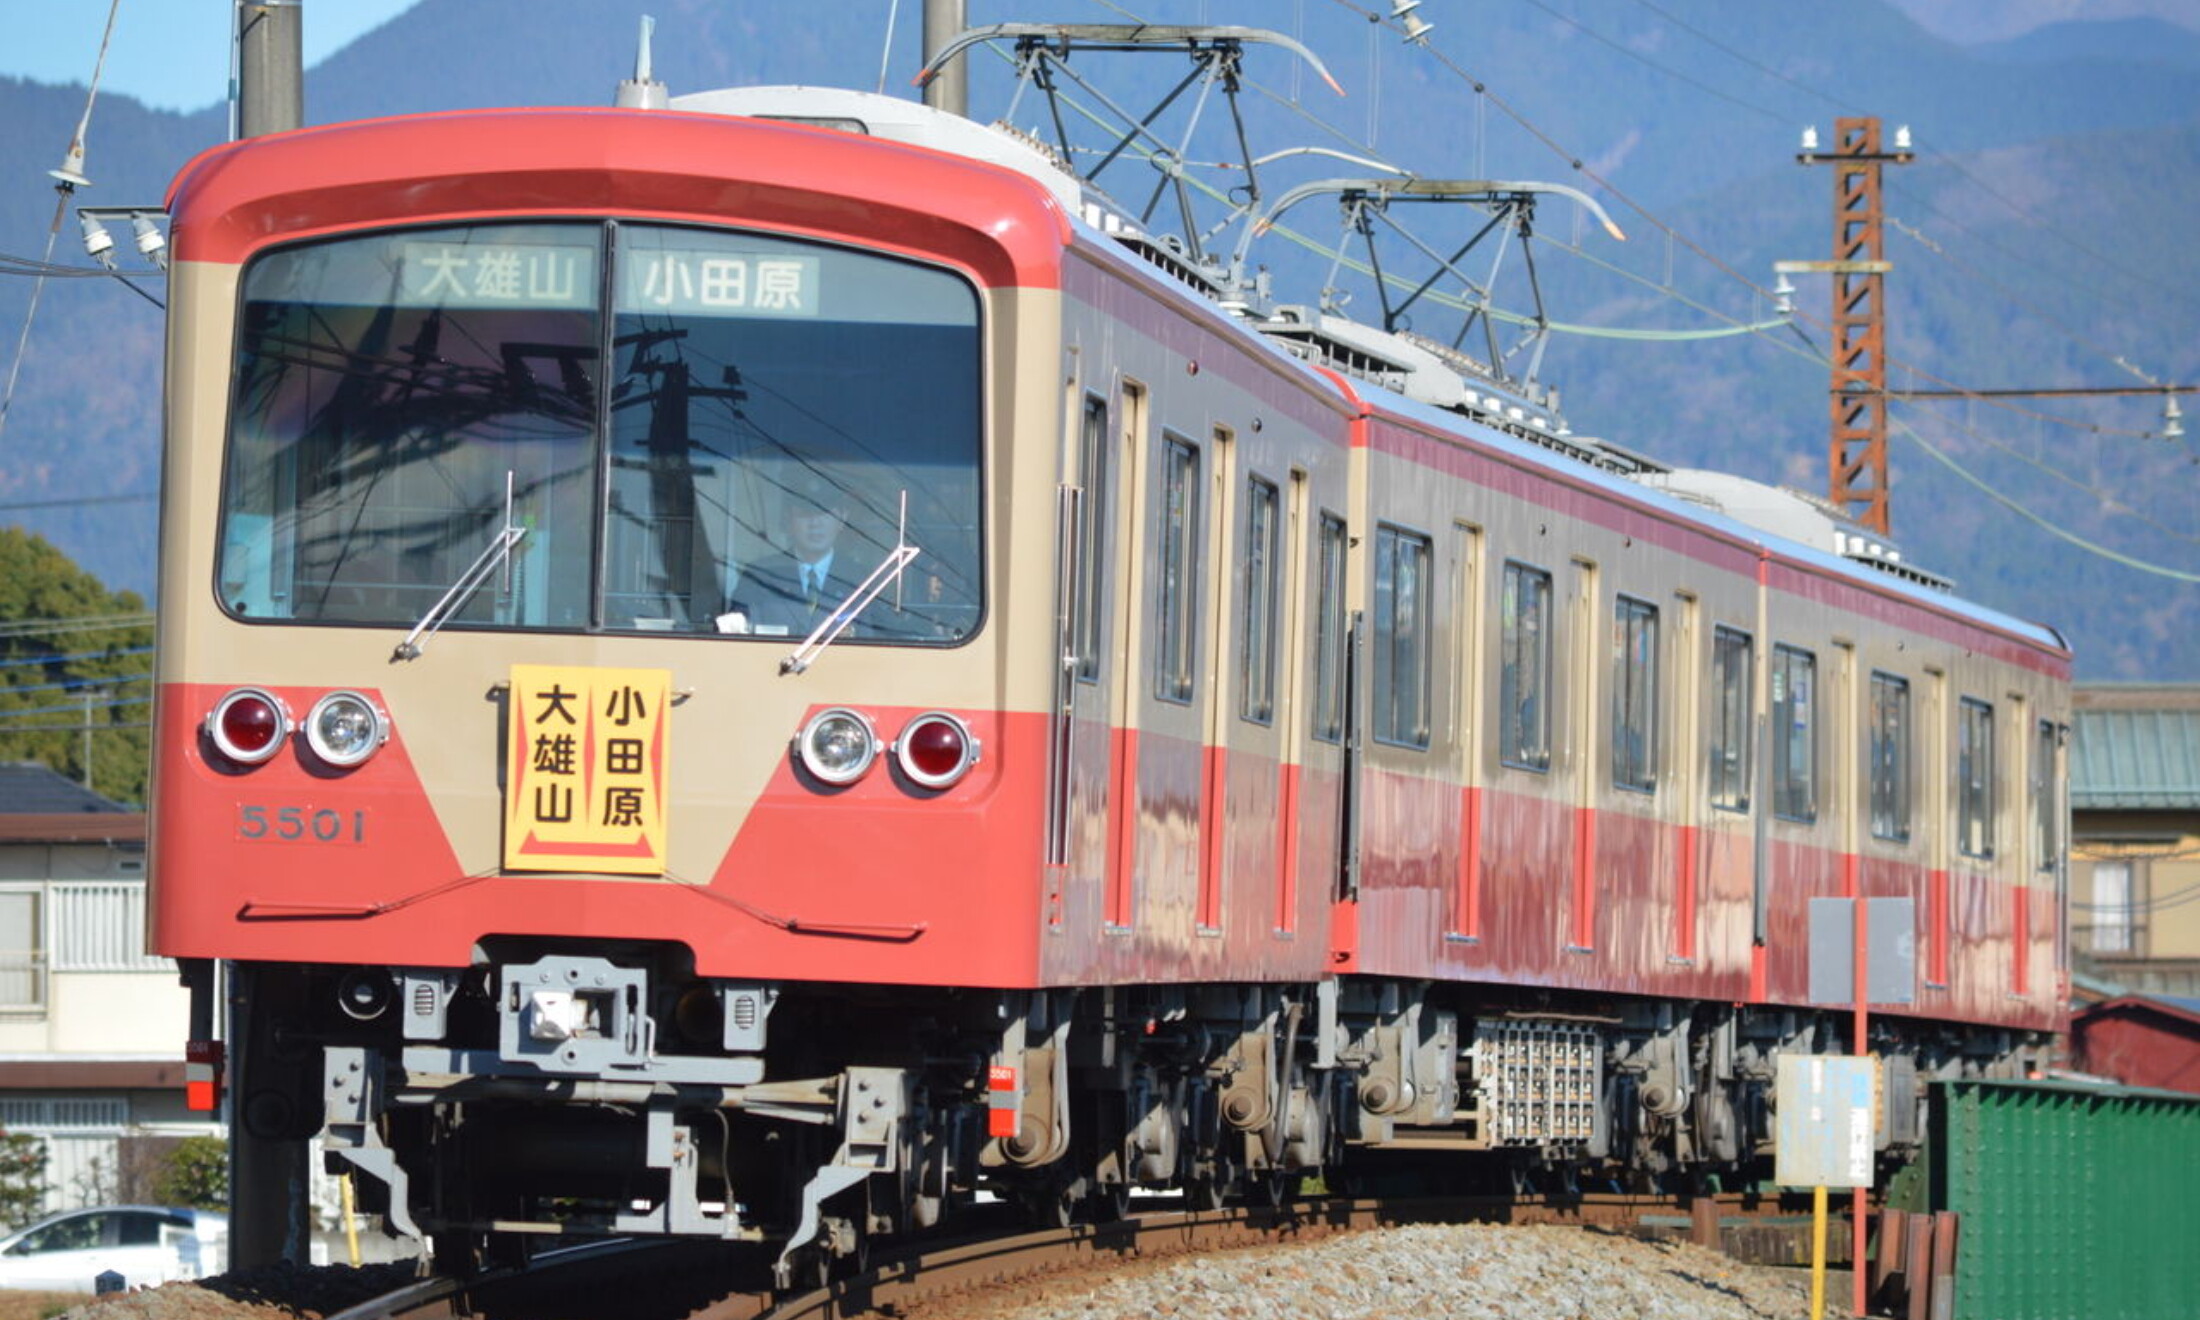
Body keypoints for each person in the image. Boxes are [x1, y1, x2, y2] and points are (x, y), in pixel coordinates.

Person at [728, 474, 866, 635]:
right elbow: (736, 634)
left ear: (842, 519)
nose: (815, 523)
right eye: (805, 514)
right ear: (789, 520)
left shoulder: (862, 579)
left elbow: (877, 644)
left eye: (825, 513)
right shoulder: (760, 575)